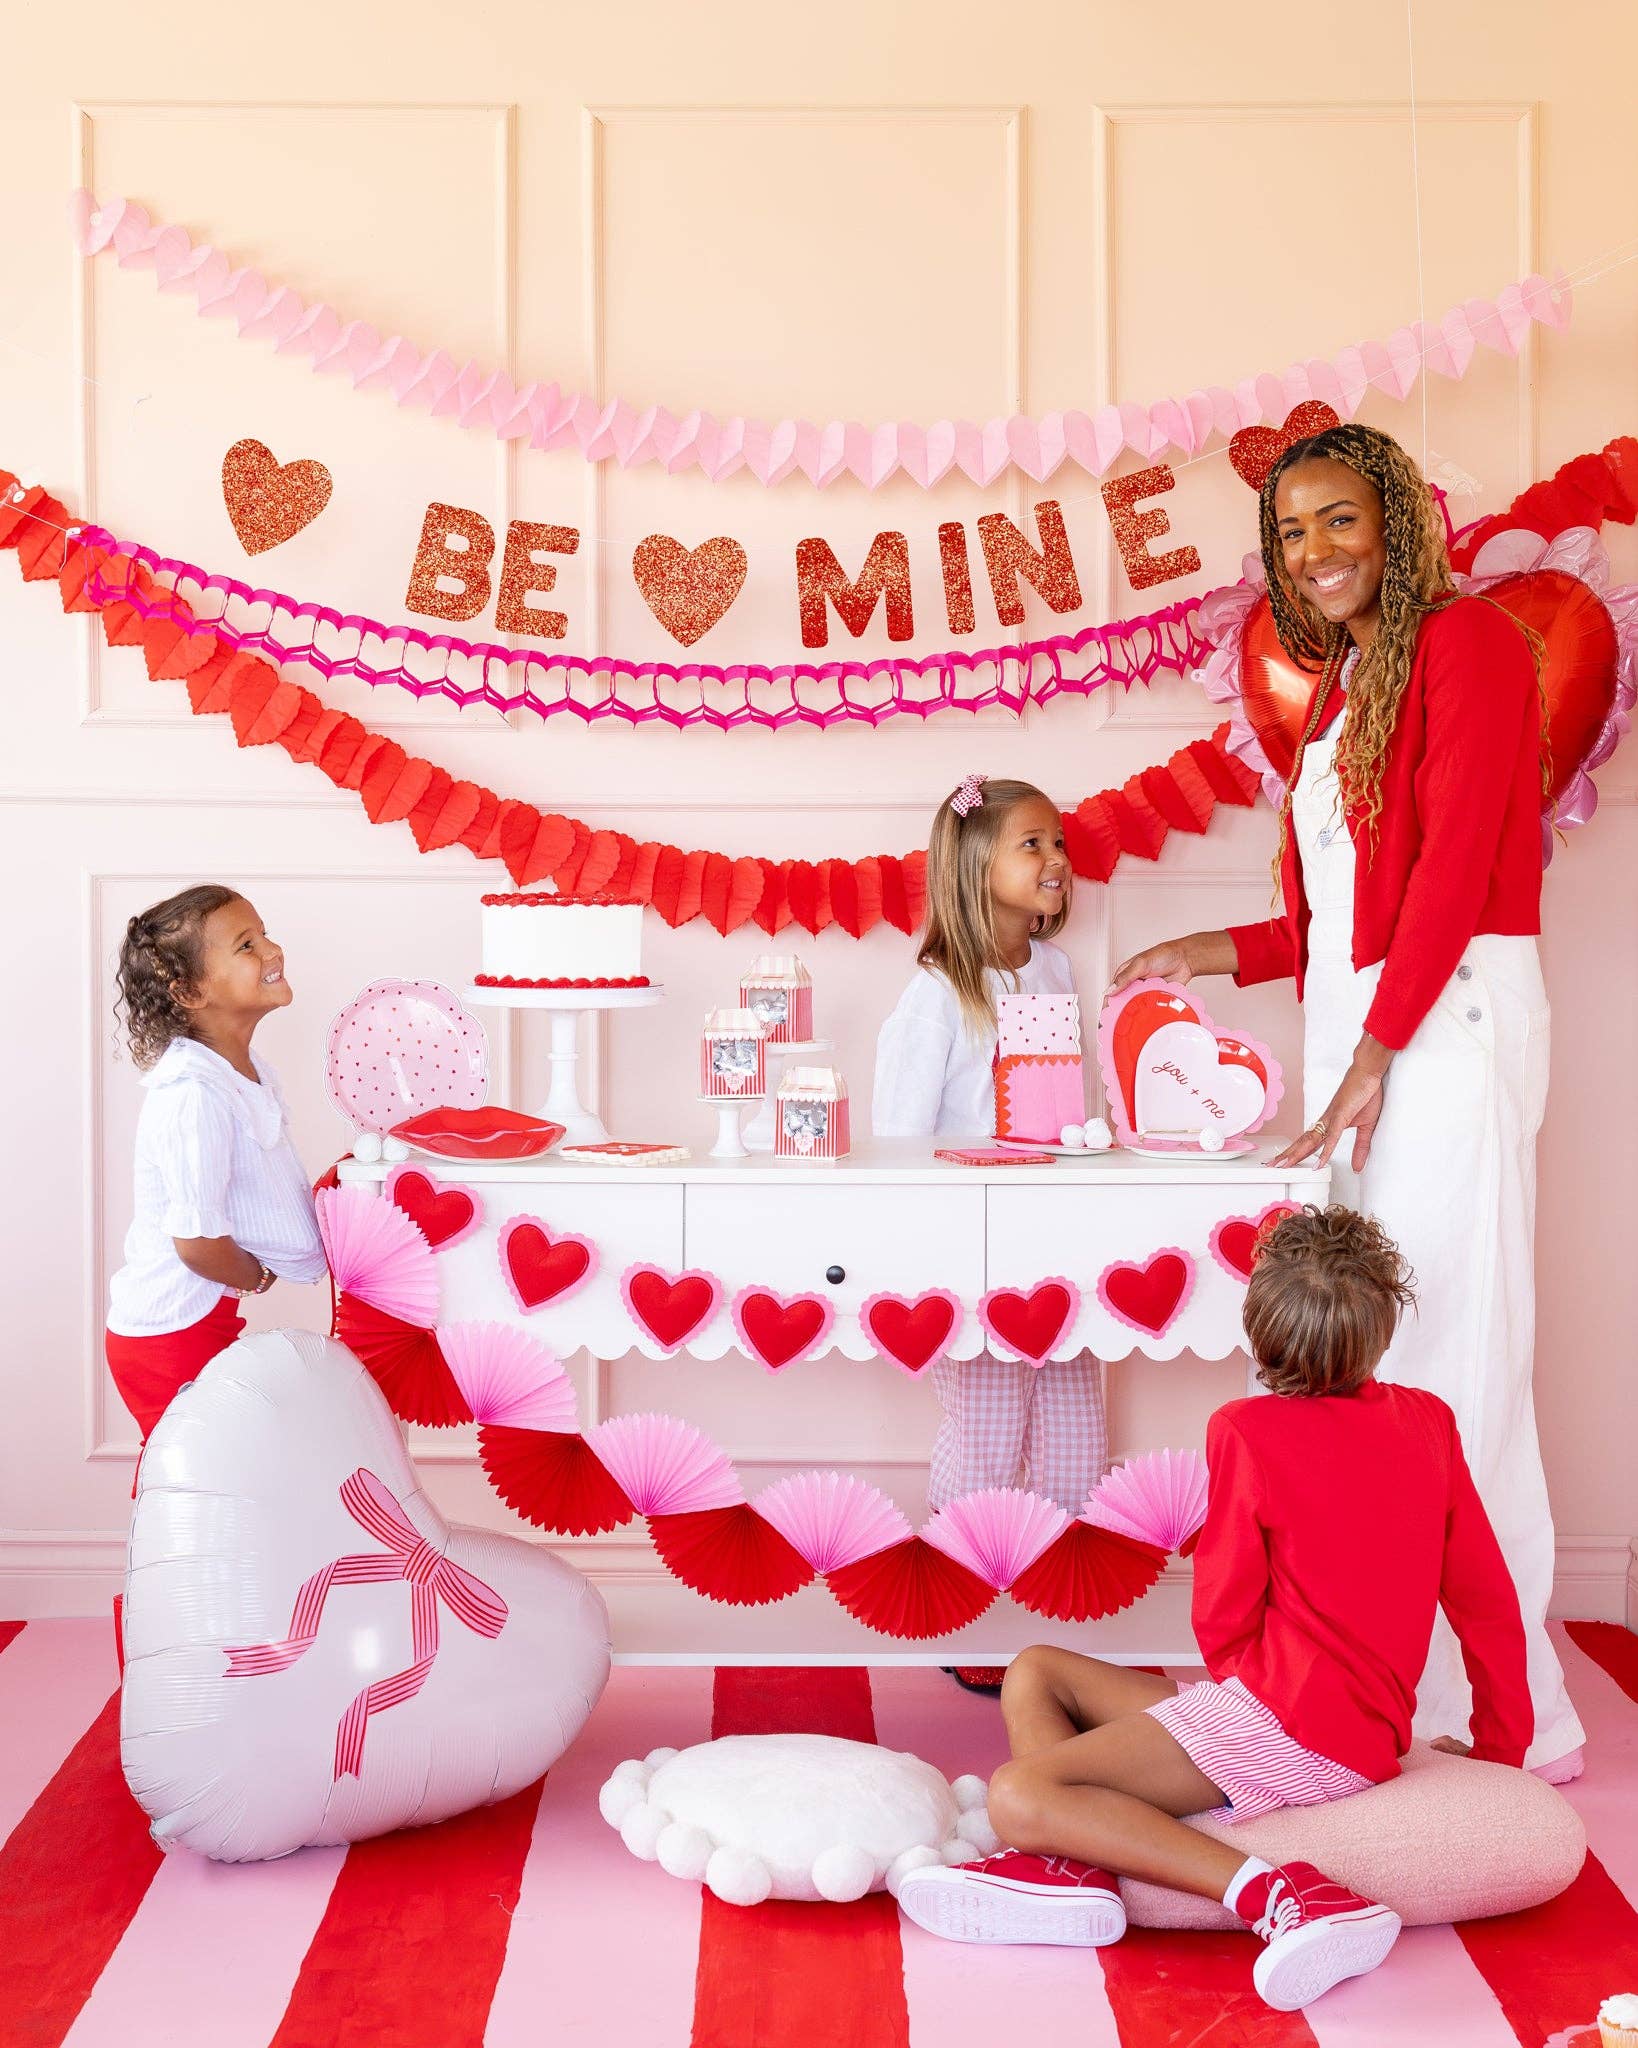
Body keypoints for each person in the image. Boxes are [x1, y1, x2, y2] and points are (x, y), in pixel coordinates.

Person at [1108, 421, 1582, 1781]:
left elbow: (1444, 876)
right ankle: (1399, 1691)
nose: (1313, 553)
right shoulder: (1347, 682)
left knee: (1453, 1361)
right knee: (1378, 1375)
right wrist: (1223, 953)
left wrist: (1378, 1048)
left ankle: (1517, 1718)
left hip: (1444, 1027)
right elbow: (1342, 911)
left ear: (1397, 519)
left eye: (1337, 521)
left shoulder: (1471, 646)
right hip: (1370, 1026)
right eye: (1291, 532)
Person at [897, 1205, 1532, 2014]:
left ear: (1263, 1331)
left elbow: (1224, 1615)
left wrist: (1235, 1724)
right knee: (1036, 1672)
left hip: (1285, 1725)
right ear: (1377, 1332)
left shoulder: (1246, 1429)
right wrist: (1502, 1749)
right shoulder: (1427, 1423)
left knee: (1019, 1795)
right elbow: (1485, 1602)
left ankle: (1278, 1893)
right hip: (1322, 1719)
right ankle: (1079, 1870)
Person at [874, 776, 1107, 1689]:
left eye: (1059, 844)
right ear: (977, 869)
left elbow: (1067, 1102)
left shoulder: (1054, 971)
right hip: (968, 1240)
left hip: (1058, 1231)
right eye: (1033, 846)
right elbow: (900, 1134)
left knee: (1075, 1430)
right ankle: (966, 1604)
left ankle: (1053, 1619)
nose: (1056, 860)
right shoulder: (938, 991)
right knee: (984, 1426)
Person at [105, 885, 327, 1442]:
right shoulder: (193, 1095)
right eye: (247, 945)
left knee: (216, 1466)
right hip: (168, 1331)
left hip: (199, 1318)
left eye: (265, 934)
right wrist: (259, 1276)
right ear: (189, 991)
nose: (273, 951)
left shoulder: (241, 1073)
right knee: (193, 1476)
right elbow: (198, 1242)